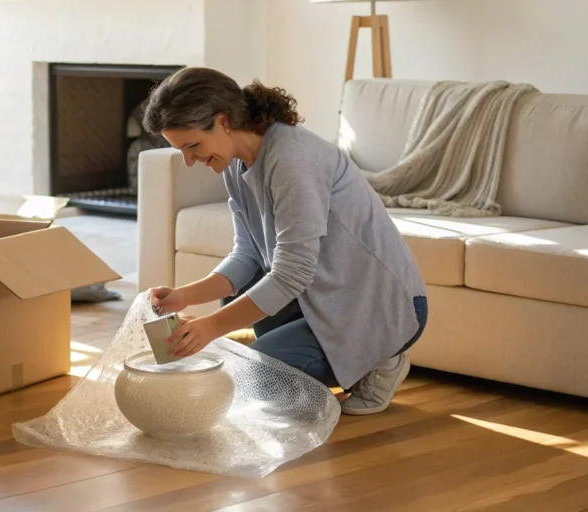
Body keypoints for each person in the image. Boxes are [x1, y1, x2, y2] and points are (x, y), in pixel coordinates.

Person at [142, 67, 428, 416]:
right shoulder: (235, 163)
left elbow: (292, 273)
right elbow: (247, 254)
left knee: (259, 380)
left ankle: (379, 360)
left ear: (224, 121)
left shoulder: (293, 159)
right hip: (321, 295)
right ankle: (332, 360)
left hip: (378, 307)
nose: (190, 161)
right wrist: (183, 296)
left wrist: (211, 328)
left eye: (192, 146)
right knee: (242, 292)